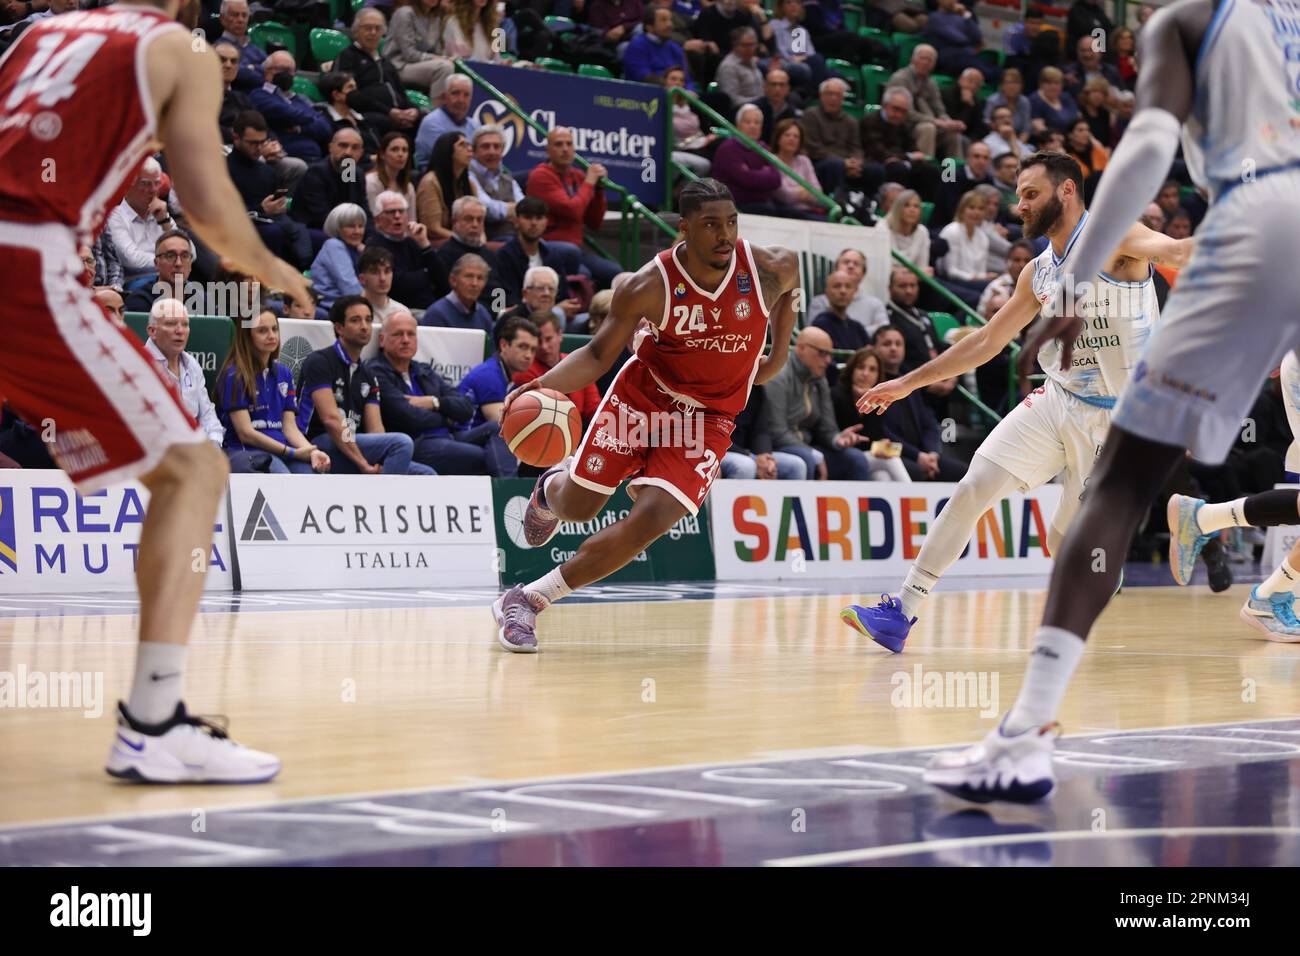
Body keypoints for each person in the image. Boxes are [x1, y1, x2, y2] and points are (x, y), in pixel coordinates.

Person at [909, 0, 1300, 803]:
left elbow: (1149, 145)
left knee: (1119, 487)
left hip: (1260, 233)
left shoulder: (1187, 24)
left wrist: (1077, 277)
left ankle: (1027, 734)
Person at [0, 0, 310, 783]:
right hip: (26, 257)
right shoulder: (178, 49)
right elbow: (206, 205)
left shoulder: (41, 34)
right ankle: (153, 721)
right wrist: (272, 269)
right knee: (196, 469)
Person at [846, 148, 1193, 650]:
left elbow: (1180, 252)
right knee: (972, 489)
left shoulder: (1117, 235)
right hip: (1057, 401)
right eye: (1019, 197)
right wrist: (907, 383)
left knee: (1064, 546)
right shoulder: (1037, 272)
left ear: (1066, 190)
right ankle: (902, 611)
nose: (1021, 206)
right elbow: (986, 342)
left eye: (1031, 194)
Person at [490, 179, 800, 652]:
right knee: (578, 508)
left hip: (708, 420)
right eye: (711, 225)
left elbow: (785, 300)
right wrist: (542, 383)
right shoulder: (649, 285)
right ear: (684, 229)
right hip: (643, 400)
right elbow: (596, 355)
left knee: (652, 519)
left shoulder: (772, 266)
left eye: (731, 222)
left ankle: (529, 598)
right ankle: (550, 489)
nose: (724, 235)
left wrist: (774, 358)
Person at [216, 309, 331, 473]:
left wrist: (312, 451)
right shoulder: (234, 376)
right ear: (247, 337)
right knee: (285, 479)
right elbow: (246, 433)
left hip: (282, 450)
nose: (271, 335)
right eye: (262, 331)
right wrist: (292, 452)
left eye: (274, 329)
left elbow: (289, 427)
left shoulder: (284, 373)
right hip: (248, 451)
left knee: (311, 475)